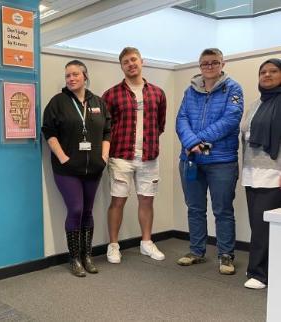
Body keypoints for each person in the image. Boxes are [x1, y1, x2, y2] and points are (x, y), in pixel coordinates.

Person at [176, 48, 243, 275]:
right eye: (205, 63)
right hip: (191, 159)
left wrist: (199, 139)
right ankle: (196, 251)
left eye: (214, 62)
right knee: (194, 208)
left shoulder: (232, 88)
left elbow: (231, 119)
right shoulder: (190, 90)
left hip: (221, 161)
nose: (210, 66)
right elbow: (181, 118)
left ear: (222, 64)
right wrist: (191, 142)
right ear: (200, 65)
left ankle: (226, 255)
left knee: (222, 209)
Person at [42, 60, 111, 277]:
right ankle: (74, 258)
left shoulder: (98, 102)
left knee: (88, 211)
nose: (71, 79)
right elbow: (49, 132)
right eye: (67, 76)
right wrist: (63, 158)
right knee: (76, 210)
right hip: (67, 169)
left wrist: (104, 156)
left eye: (75, 74)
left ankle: (87, 255)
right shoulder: (58, 102)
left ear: (85, 76)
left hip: (94, 168)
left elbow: (107, 131)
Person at [102, 47, 167, 264]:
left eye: (133, 60)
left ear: (142, 61)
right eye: (125, 62)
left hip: (149, 156)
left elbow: (160, 124)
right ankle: (113, 245)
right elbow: (104, 126)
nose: (130, 64)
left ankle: (146, 243)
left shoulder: (157, 93)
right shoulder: (111, 94)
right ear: (121, 67)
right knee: (118, 201)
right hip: (121, 156)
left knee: (147, 201)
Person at [240, 58, 281, 289]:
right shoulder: (255, 104)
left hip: (274, 174)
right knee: (258, 224)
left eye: (273, 71)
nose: (267, 75)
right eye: (263, 72)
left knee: (265, 225)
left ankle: (260, 274)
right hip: (252, 172)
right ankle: (263, 269)